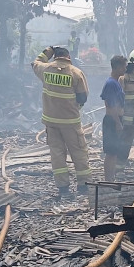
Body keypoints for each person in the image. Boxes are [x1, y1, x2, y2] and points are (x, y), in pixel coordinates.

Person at [32, 46, 92, 199]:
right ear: (68, 57)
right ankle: (83, 186)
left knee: (57, 154)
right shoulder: (76, 73)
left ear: (55, 57)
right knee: (79, 152)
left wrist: (47, 52)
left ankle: (63, 188)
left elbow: (35, 63)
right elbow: (83, 97)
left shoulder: (46, 70)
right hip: (70, 122)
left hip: (51, 122)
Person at [100, 55, 127, 181]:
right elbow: (111, 105)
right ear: (117, 67)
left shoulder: (116, 82)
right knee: (111, 152)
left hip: (115, 120)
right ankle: (108, 180)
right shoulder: (111, 83)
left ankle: (111, 179)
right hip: (112, 121)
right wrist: (117, 122)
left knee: (114, 151)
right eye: (123, 67)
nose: (125, 69)